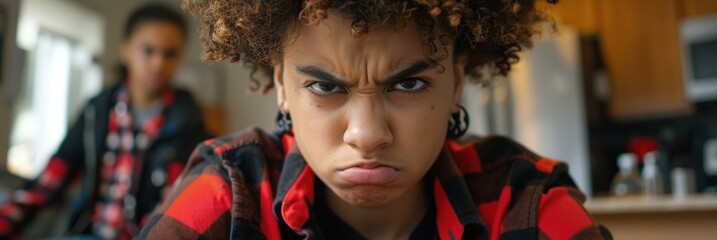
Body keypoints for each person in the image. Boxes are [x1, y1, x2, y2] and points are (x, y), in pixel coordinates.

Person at [139, 0, 612, 239]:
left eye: (408, 84)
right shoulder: (230, 193)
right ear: (282, 83)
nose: (367, 135)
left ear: (457, 80)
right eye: (325, 86)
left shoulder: (523, 202)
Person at [0, 4, 209, 239]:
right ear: (126, 50)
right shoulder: (96, 111)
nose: (158, 63)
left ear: (180, 58)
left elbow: (180, 203)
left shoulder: (189, 122)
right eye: (148, 50)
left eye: (170, 53)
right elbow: (48, 181)